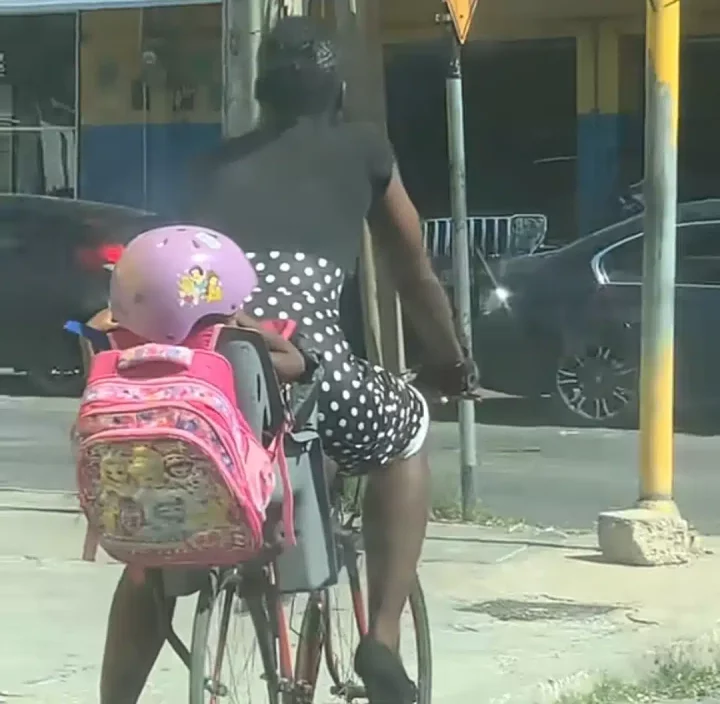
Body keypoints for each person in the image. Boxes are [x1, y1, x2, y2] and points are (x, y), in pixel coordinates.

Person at [98, 17, 476, 704]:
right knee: (408, 425)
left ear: (263, 95)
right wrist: (450, 361)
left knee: (153, 559)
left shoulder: (210, 164)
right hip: (302, 362)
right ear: (336, 90)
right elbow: (412, 271)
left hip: (206, 370)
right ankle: (381, 639)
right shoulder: (363, 149)